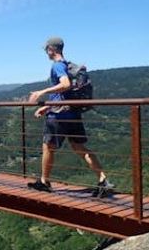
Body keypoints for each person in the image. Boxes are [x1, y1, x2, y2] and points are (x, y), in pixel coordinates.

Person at [28, 37, 113, 197]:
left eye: (46, 49)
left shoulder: (58, 66)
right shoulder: (68, 66)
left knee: (48, 147)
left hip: (58, 117)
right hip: (72, 112)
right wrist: (46, 106)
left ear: (51, 49)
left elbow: (65, 85)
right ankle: (103, 180)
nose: (46, 52)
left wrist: (41, 92)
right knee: (80, 148)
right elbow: (65, 94)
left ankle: (45, 182)